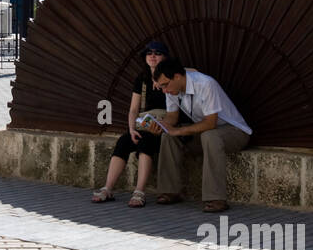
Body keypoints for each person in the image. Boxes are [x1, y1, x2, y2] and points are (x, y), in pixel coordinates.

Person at [138, 57, 252, 213]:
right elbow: (172, 117)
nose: (164, 90)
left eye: (165, 85)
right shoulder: (172, 88)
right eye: (162, 86)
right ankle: (170, 191)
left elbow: (211, 123)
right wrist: (161, 125)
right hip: (206, 131)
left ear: (177, 77)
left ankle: (216, 198)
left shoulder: (205, 84)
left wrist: (178, 130)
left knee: (209, 136)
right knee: (168, 136)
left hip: (235, 132)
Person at [93, 40, 171, 207]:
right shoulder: (142, 79)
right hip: (143, 126)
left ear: (165, 57)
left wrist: (161, 78)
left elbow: (191, 73)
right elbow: (133, 109)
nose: (153, 56)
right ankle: (108, 188)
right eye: (149, 53)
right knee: (123, 141)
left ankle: (139, 191)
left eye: (157, 53)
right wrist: (131, 129)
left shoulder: (172, 76)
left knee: (146, 143)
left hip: (164, 128)